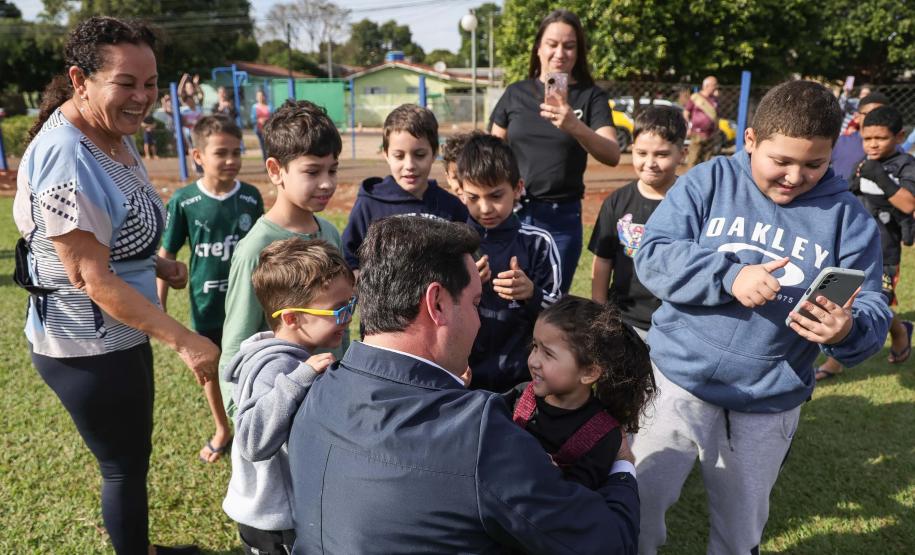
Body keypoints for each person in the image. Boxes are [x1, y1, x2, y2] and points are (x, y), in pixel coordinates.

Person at [632, 80, 892, 554]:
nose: (796, 176)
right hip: (675, 381)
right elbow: (653, 254)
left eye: (815, 164)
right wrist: (728, 276)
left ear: (833, 152)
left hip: (768, 401)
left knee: (739, 529)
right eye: (781, 161)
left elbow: (871, 303)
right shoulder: (708, 180)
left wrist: (848, 328)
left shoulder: (848, 218)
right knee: (639, 503)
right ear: (750, 140)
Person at [287, 215, 639, 554]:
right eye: (475, 303)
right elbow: (609, 542)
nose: (479, 320)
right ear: (437, 303)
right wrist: (622, 467)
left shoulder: (314, 390)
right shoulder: (479, 435)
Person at [13, 16, 218, 555]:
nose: (142, 97)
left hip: (119, 330)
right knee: (123, 466)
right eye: (126, 83)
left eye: (150, 84)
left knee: (132, 457)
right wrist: (184, 339)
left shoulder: (109, 136)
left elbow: (111, 233)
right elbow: (87, 276)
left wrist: (155, 264)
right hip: (87, 341)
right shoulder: (67, 155)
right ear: (81, 80)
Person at [223, 237, 354, 555]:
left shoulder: (292, 356)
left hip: (286, 517)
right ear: (292, 318)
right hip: (274, 524)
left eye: (351, 304)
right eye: (337, 310)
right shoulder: (278, 366)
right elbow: (252, 441)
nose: (348, 317)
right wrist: (299, 379)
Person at [219, 99, 346, 418]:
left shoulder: (330, 233)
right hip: (280, 403)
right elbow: (237, 341)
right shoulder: (255, 247)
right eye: (312, 171)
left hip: (329, 395)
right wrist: (240, 413)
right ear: (275, 170)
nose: (327, 183)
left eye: (332, 170)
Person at [157, 115, 264, 461]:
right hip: (206, 306)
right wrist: (158, 308)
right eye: (221, 153)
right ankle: (222, 427)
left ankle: (255, 424)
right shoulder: (185, 201)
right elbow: (167, 255)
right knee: (211, 371)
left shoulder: (250, 197)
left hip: (248, 303)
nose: (231, 160)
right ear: (198, 155)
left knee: (253, 365)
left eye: (237, 152)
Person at [490, 9, 620, 293]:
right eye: (552, 44)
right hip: (513, 215)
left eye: (569, 45)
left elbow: (612, 154)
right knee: (506, 296)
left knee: (551, 302)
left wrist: (574, 125)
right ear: (539, 48)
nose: (560, 53)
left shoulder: (591, 96)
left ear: (578, 52)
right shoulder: (516, 93)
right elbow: (491, 152)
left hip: (561, 219)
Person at [503, 296, 655, 490]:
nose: (533, 360)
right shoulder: (521, 396)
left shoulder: (603, 435)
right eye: (535, 346)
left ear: (589, 372)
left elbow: (578, 500)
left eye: (548, 354)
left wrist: (551, 475)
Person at [456, 133, 561, 391]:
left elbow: (560, 313)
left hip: (523, 378)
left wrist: (531, 293)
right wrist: (462, 285)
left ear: (517, 188)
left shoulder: (538, 243)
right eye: (473, 197)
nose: (485, 208)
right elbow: (432, 308)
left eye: (495, 196)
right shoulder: (451, 244)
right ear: (459, 192)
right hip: (464, 378)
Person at [817, 106, 915, 379]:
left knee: (873, 300)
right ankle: (899, 330)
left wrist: (881, 178)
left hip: (885, 250)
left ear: (899, 137)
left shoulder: (906, 165)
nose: (872, 144)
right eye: (867, 138)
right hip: (852, 244)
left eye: (880, 139)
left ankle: (835, 362)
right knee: (839, 297)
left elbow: (909, 204)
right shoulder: (863, 162)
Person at [590, 106, 687, 333]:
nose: (650, 163)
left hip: (676, 322)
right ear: (632, 150)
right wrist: (599, 313)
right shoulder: (617, 202)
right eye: (642, 153)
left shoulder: (692, 201)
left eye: (661, 154)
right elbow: (603, 261)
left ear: (682, 153)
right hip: (624, 319)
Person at [341, 104, 468, 270]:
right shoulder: (369, 205)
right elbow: (349, 259)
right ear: (386, 155)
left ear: (434, 153)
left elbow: (468, 260)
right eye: (399, 156)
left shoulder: (452, 207)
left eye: (419, 155)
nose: (409, 165)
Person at [830, 92, 889, 182]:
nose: (875, 118)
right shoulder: (839, 143)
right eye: (869, 114)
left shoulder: (895, 149)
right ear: (857, 117)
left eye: (881, 114)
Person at [683, 75, 719, 168]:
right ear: (706, 85)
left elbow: (715, 116)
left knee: (706, 162)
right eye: (714, 85)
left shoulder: (714, 99)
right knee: (693, 160)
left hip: (710, 134)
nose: (716, 87)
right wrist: (688, 127)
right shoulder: (695, 97)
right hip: (697, 134)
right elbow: (686, 113)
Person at [251, 89, 271, 161]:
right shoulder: (254, 107)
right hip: (259, 130)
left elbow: (274, 116)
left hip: (269, 130)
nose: (260, 97)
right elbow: (253, 119)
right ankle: (266, 162)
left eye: (262, 96)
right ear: (256, 97)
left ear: (264, 97)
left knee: (270, 147)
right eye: (258, 96)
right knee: (263, 147)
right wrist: (258, 120)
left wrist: (267, 120)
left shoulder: (269, 106)